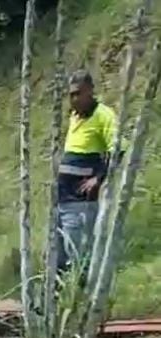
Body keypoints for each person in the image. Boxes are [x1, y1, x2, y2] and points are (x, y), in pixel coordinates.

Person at [57, 69, 119, 277]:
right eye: (71, 95)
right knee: (59, 257)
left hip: (80, 201)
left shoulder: (103, 115)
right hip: (62, 199)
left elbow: (118, 149)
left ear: (90, 91)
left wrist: (98, 178)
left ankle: (83, 293)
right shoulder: (74, 116)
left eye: (78, 93)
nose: (74, 99)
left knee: (78, 254)